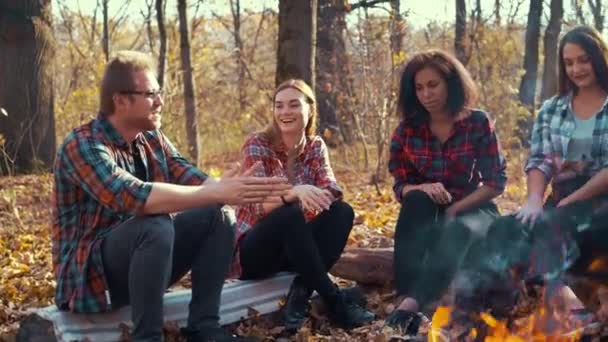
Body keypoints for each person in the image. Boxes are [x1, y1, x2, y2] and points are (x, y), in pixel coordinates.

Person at [51, 50, 290, 342]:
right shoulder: (82, 144)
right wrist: (214, 191)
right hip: (90, 280)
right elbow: (132, 196)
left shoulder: (152, 139)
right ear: (121, 100)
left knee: (217, 213)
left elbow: (192, 177)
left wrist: (226, 189)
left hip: (144, 266)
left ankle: (205, 327)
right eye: (151, 94)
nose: (161, 101)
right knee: (155, 224)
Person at [477, 25, 608, 316]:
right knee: (507, 227)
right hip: (561, 197)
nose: (577, 68)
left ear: (599, 57)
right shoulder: (553, 108)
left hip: (599, 200)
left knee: (574, 226)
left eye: (584, 59)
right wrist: (534, 199)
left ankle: (578, 300)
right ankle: (505, 307)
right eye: (569, 62)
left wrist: (572, 202)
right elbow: (540, 160)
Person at [233, 79, 375, 334]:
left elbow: (331, 190)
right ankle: (335, 301)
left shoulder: (315, 146)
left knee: (342, 212)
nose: (285, 112)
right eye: (279, 106)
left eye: (293, 105)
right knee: (288, 211)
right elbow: (255, 206)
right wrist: (293, 193)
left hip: (296, 248)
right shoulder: (257, 143)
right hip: (254, 252)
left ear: (310, 110)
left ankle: (299, 294)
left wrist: (315, 196)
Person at [386, 49, 507, 333]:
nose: (426, 94)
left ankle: (414, 303)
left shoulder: (478, 122)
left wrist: (457, 208)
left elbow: (496, 182)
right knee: (415, 200)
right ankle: (406, 294)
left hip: (475, 207)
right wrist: (421, 187)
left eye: (433, 85)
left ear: (451, 84)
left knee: (461, 227)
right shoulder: (407, 131)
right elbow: (401, 186)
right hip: (430, 209)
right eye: (419, 88)